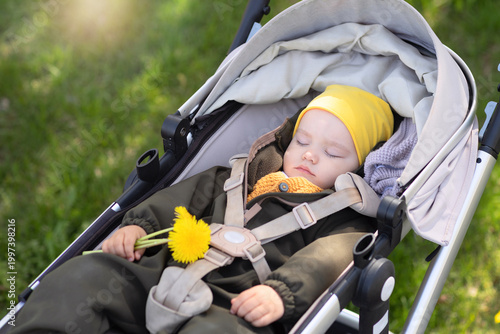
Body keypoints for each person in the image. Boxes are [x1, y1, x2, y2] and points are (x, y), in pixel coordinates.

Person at [11, 85, 394, 334]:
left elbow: (327, 259)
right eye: (303, 140)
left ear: (358, 167)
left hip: (237, 305)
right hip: (163, 272)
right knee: (86, 276)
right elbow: (177, 199)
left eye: (332, 152)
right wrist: (140, 225)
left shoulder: (345, 218)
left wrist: (282, 293)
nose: (310, 154)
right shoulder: (235, 175)